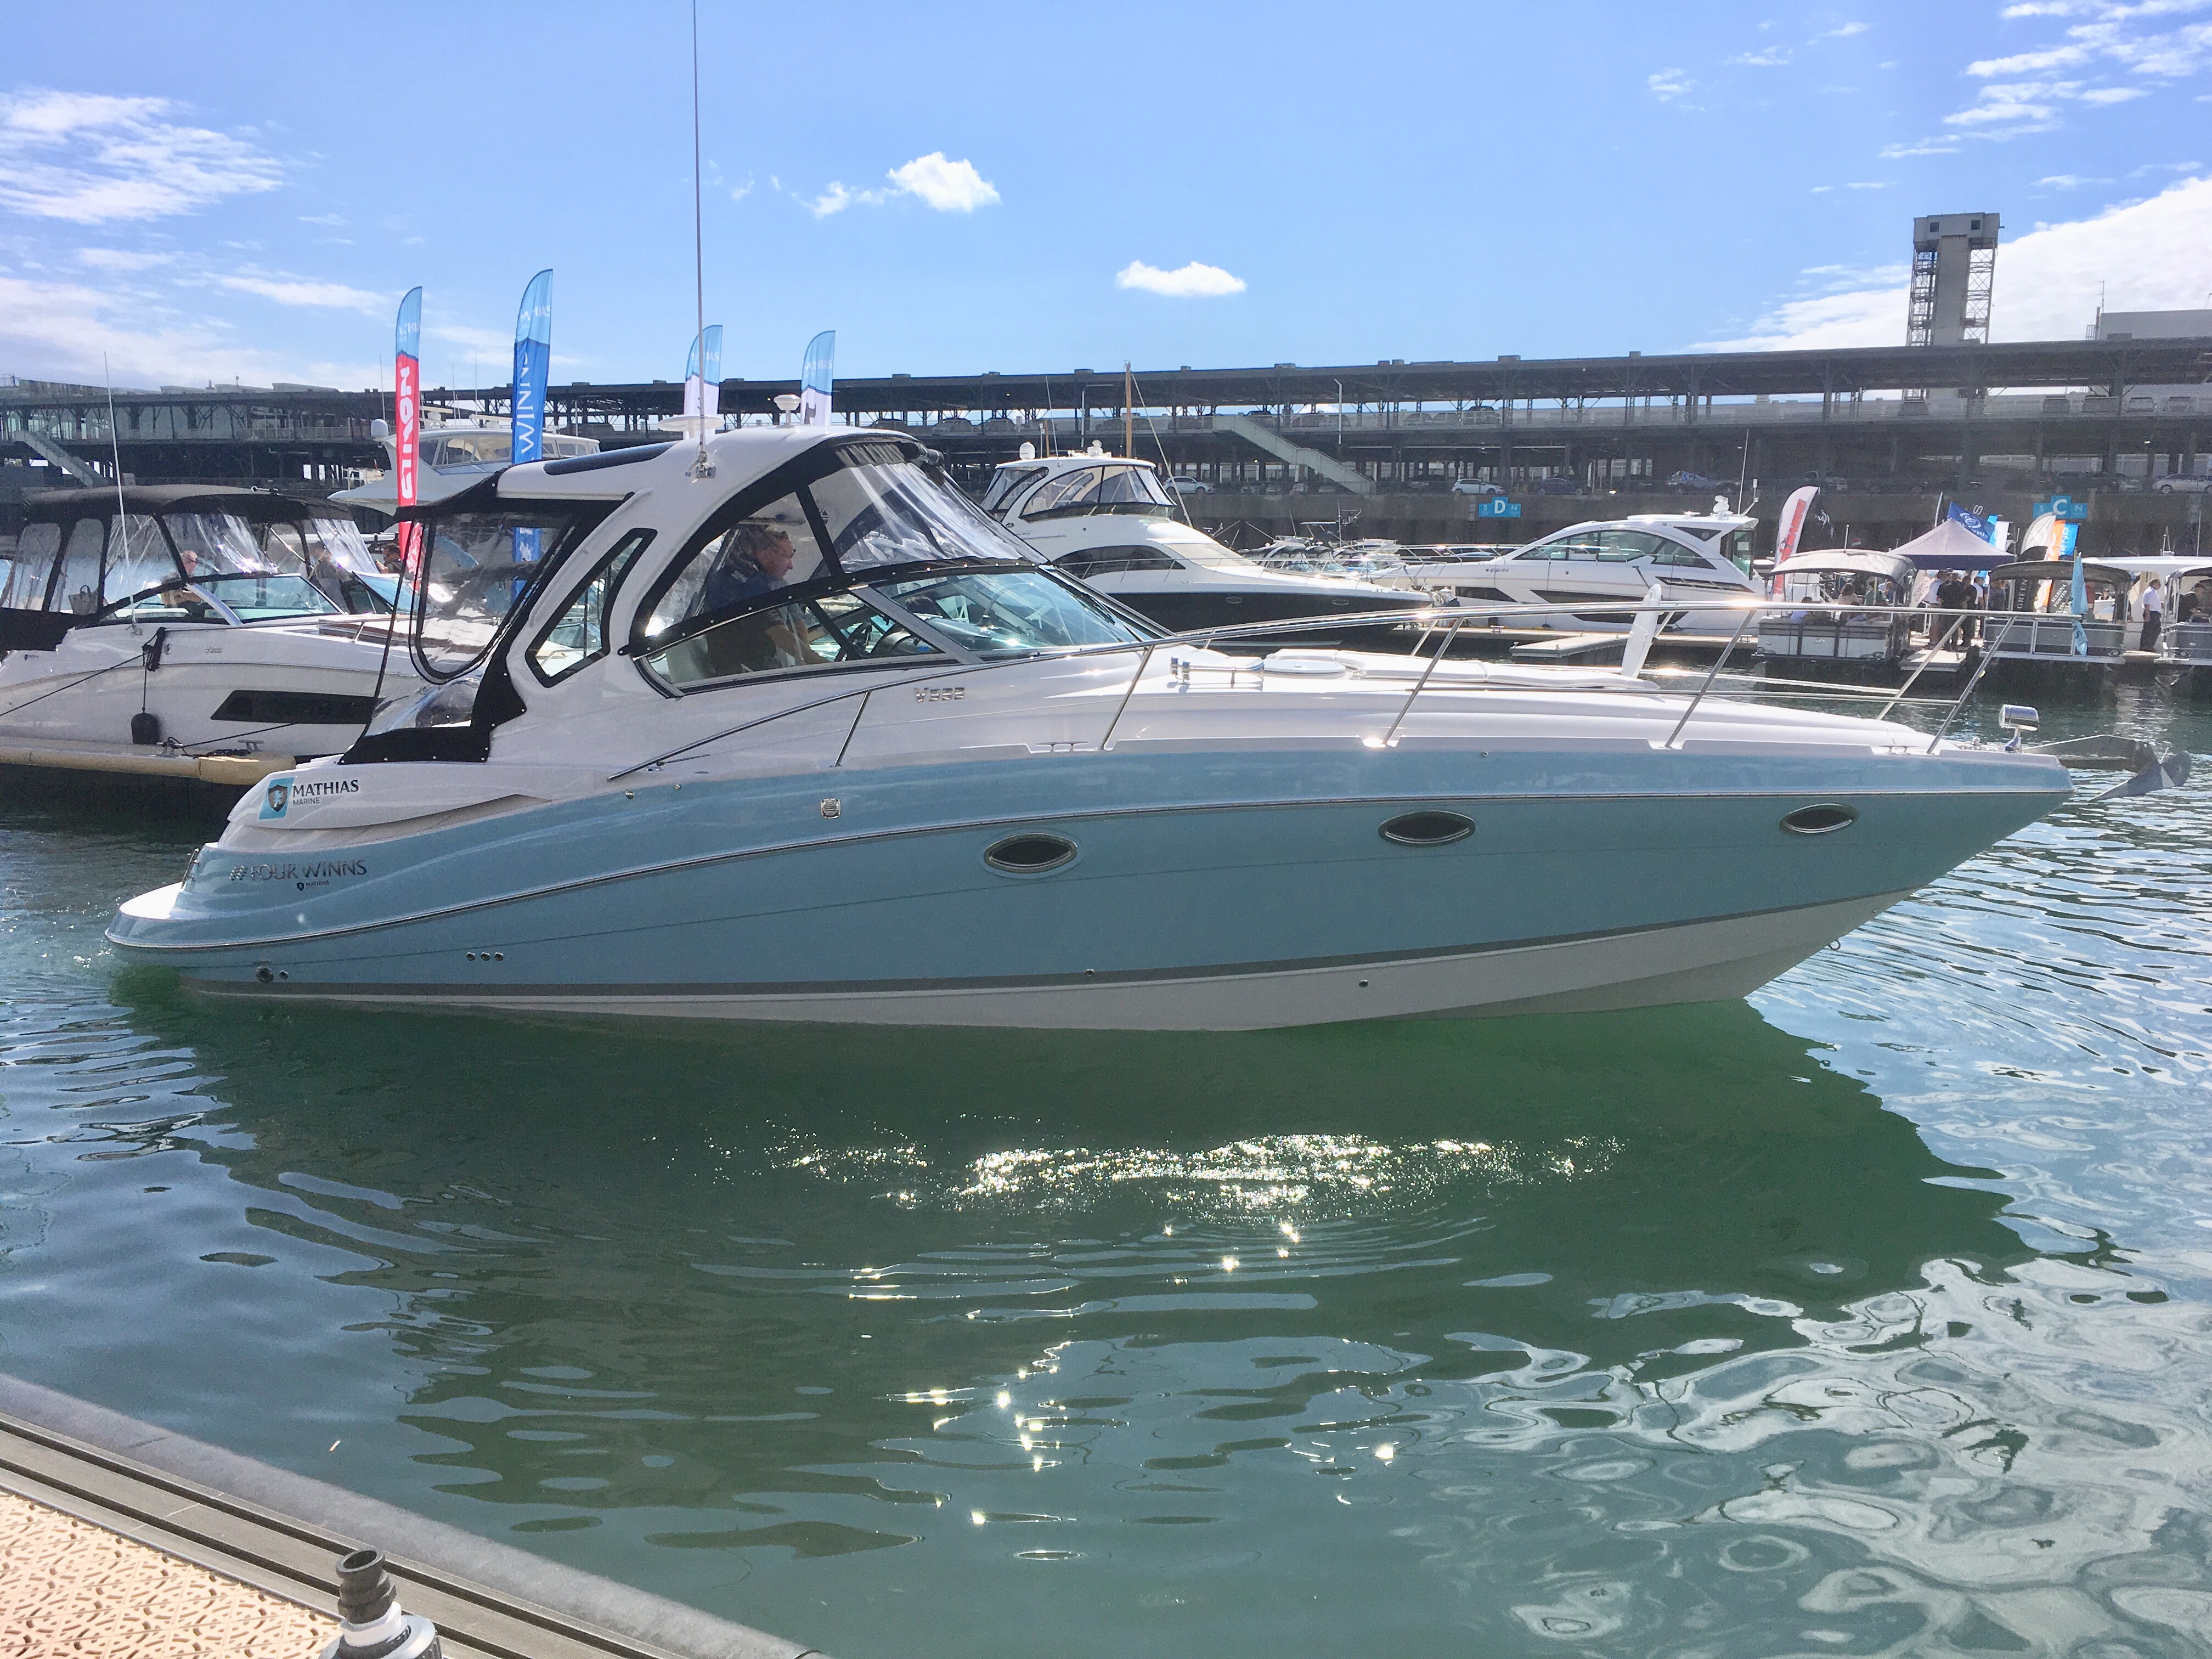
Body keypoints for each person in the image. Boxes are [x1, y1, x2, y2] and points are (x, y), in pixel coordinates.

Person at [702, 521, 797, 613]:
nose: (791, 566)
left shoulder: (733, 572)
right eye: (787, 557)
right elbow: (773, 625)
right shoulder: (753, 588)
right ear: (769, 553)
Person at [2140, 574, 2164, 652]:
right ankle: (2147, 646)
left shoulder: (2153, 592)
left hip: (2154, 613)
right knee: (2151, 630)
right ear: (2154, 584)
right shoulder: (2150, 592)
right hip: (2151, 613)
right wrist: (2147, 615)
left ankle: (2148, 645)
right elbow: (2147, 604)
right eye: (2158, 584)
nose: (2160, 586)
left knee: (2154, 629)